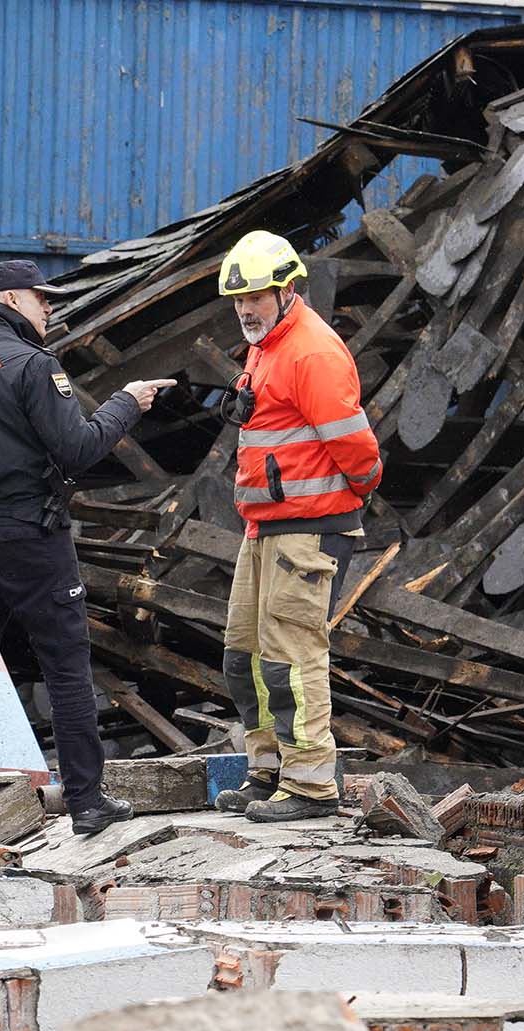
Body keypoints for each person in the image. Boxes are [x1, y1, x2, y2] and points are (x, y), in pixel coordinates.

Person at [0, 259, 174, 839]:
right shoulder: (33, 365)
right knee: (64, 665)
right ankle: (87, 804)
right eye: (40, 298)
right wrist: (126, 403)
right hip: (29, 534)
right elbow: (78, 449)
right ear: (10, 300)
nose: (49, 308)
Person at [213, 231, 383, 823]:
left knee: (291, 655)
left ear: (287, 292)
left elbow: (357, 450)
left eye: (255, 298)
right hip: (266, 528)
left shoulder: (311, 351)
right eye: (238, 302)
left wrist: (348, 500)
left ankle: (311, 784)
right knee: (245, 656)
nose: (245, 311)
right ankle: (269, 771)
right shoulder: (268, 347)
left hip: (309, 530)